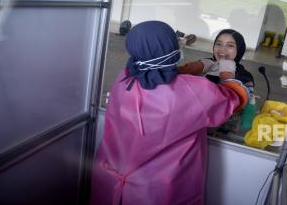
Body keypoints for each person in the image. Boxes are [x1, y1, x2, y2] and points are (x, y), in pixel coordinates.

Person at [90, 21, 248, 205]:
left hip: (111, 180)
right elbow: (233, 99)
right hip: (159, 189)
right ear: (173, 49)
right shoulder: (193, 90)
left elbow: (155, 72)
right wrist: (226, 72)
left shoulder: (125, 79)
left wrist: (195, 66)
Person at [178, 29, 254, 88]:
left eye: (230, 45)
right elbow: (182, 71)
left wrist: (228, 79)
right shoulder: (207, 63)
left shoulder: (245, 77)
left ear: (239, 50)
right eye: (218, 44)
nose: (222, 49)